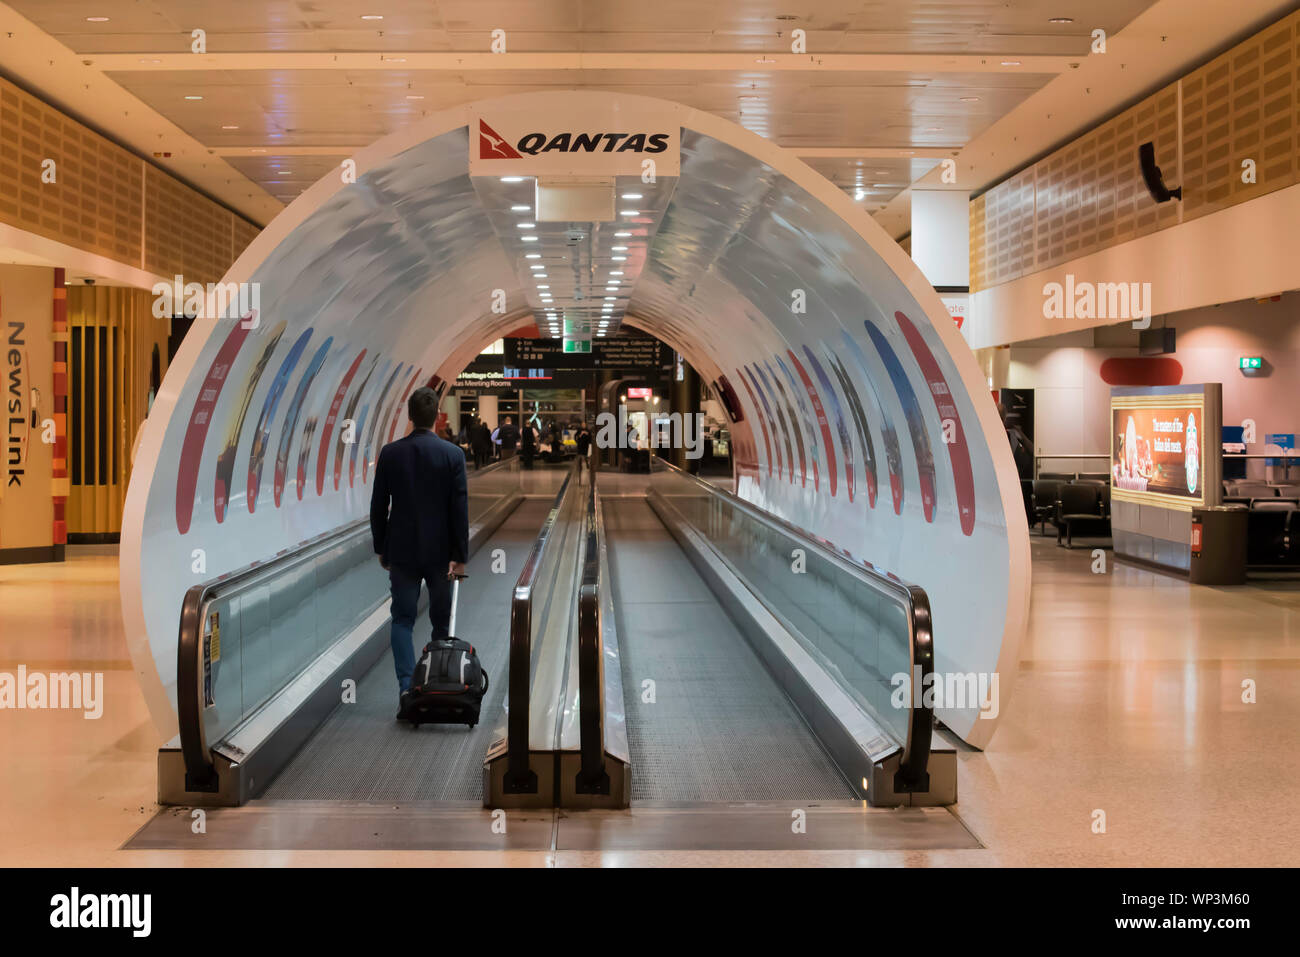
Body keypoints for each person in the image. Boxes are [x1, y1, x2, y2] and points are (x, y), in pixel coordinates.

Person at [370, 386, 469, 715]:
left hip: (403, 550)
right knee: (441, 622)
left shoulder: (390, 454)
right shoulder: (453, 455)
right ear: (437, 417)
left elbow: (378, 506)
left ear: (409, 416)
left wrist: (382, 547)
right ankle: (438, 684)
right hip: (441, 552)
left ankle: (406, 687)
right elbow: (459, 509)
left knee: (402, 619)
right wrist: (461, 555)